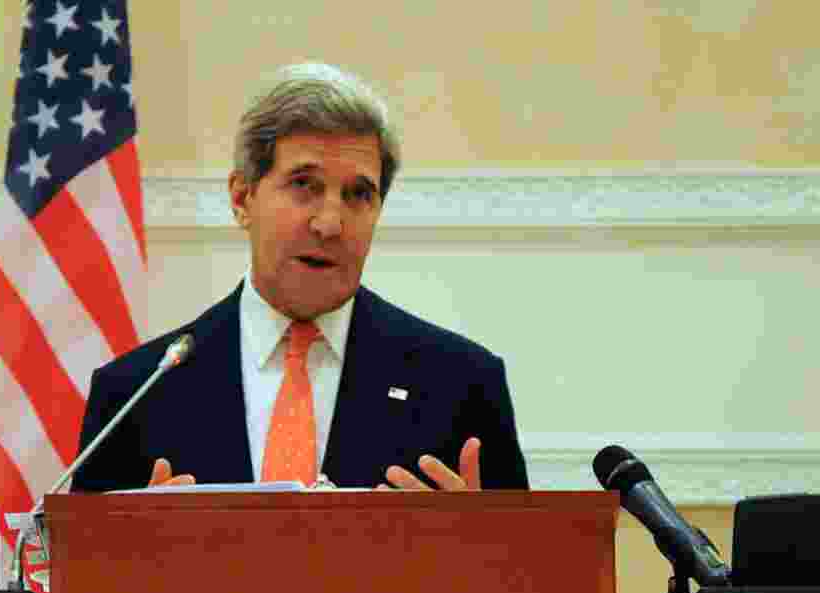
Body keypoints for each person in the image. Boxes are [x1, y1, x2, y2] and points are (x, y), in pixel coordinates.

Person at [71, 63, 528, 493]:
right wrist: (133, 553)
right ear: (242, 197)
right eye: (304, 186)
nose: (330, 223)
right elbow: (81, 576)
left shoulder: (463, 384)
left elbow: (530, 574)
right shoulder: (134, 394)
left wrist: (476, 545)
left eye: (358, 194)